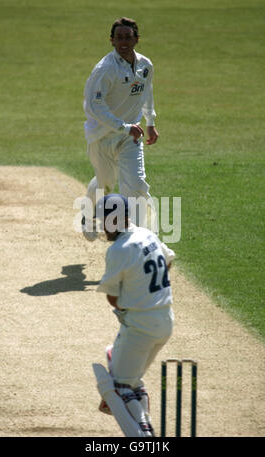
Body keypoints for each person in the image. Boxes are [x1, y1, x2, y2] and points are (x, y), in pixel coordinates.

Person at [92, 194, 175, 437]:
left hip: (140, 328)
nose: (102, 228)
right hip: (166, 321)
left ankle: (143, 438)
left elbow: (112, 296)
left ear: (114, 220)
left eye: (103, 221)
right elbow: (168, 261)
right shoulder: (147, 234)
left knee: (117, 388)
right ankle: (143, 421)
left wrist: (128, 306)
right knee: (130, 380)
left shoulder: (118, 249)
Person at [82, 17, 159, 241]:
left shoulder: (145, 65)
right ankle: (88, 210)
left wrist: (151, 122)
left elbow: (146, 93)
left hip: (130, 137)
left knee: (136, 185)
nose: (123, 42)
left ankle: (140, 238)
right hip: (102, 136)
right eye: (119, 38)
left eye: (128, 37)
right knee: (106, 184)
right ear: (112, 41)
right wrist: (123, 127)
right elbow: (95, 106)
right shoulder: (105, 69)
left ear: (136, 39)